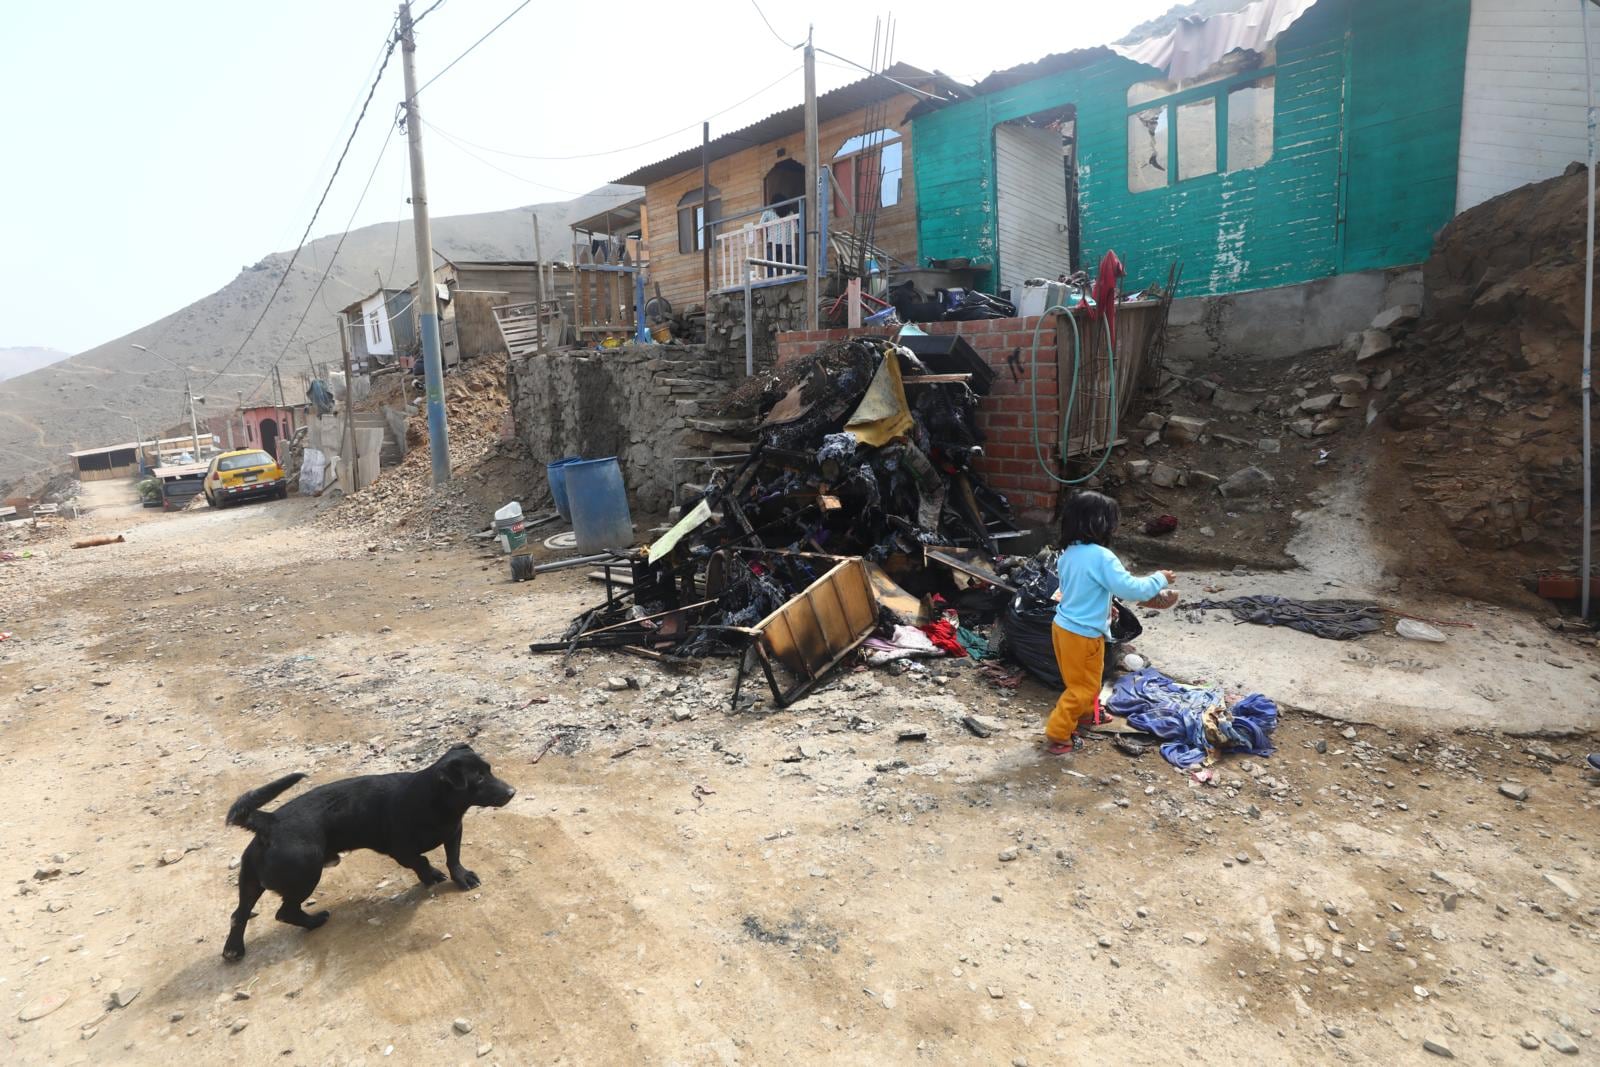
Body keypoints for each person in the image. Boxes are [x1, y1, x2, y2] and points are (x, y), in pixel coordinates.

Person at [1045, 491, 1178, 755]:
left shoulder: (1069, 553)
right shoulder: (1101, 557)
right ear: (1099, 523)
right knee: (1082, 687)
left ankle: (1085, 715)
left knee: (1090, 681)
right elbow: (1132, 589)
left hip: (1067, 628)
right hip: (1081, 635)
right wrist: (1159, 579)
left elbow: (1083, 590)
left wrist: (1105, 609)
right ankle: (1058, 733)